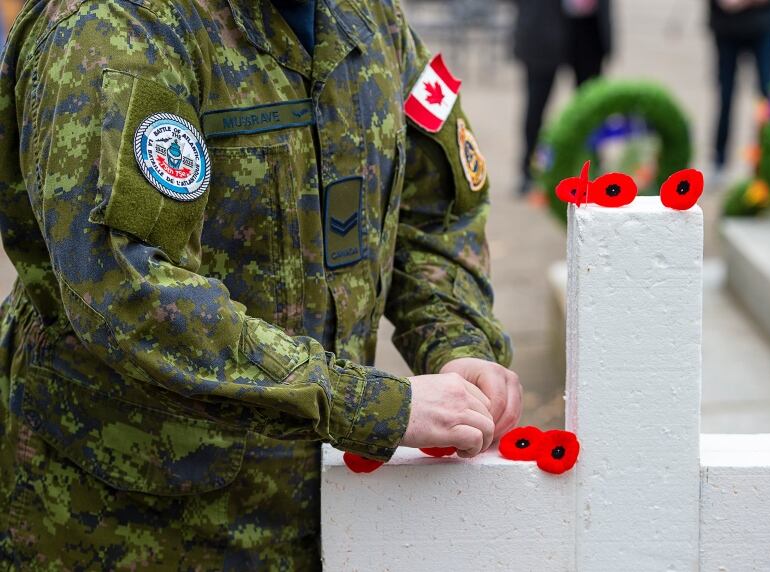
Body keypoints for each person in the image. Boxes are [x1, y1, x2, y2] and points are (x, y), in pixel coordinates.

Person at [0, 0, 522, 568]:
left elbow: (435, 205)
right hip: (131, 522)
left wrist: (457, 343)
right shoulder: (113, 26)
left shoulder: (369, 15)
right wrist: (370, 406)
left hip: (321, 513)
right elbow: (124, 290)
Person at [512, 0, 612, 195]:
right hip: (542, 26)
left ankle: (591, 168)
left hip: (588, 28)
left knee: (591, 107)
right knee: (536, 104)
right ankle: (529, 170)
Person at [709, 0, 770, 171]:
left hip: (759, 26)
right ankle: (719, 160)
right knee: (725, 97)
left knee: (767, 98)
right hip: (726, 28)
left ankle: (768, 162)